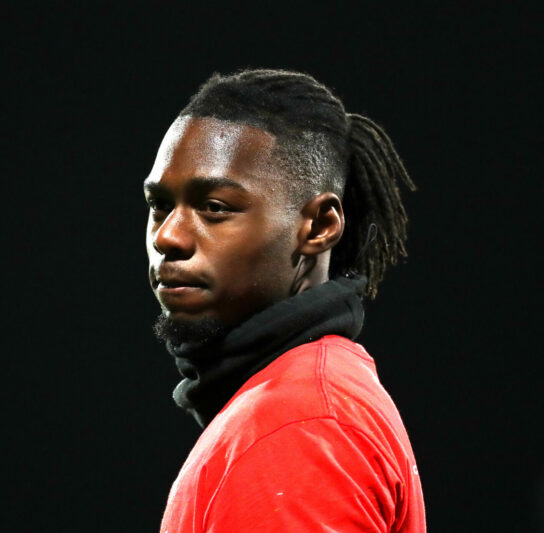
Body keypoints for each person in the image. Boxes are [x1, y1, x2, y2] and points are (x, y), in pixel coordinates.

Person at [144, 69, 425, 532]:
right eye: (159, 206)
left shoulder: (299, 424)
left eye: (215, 207)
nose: (168, 237)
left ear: (318, 227)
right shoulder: (305, 400)